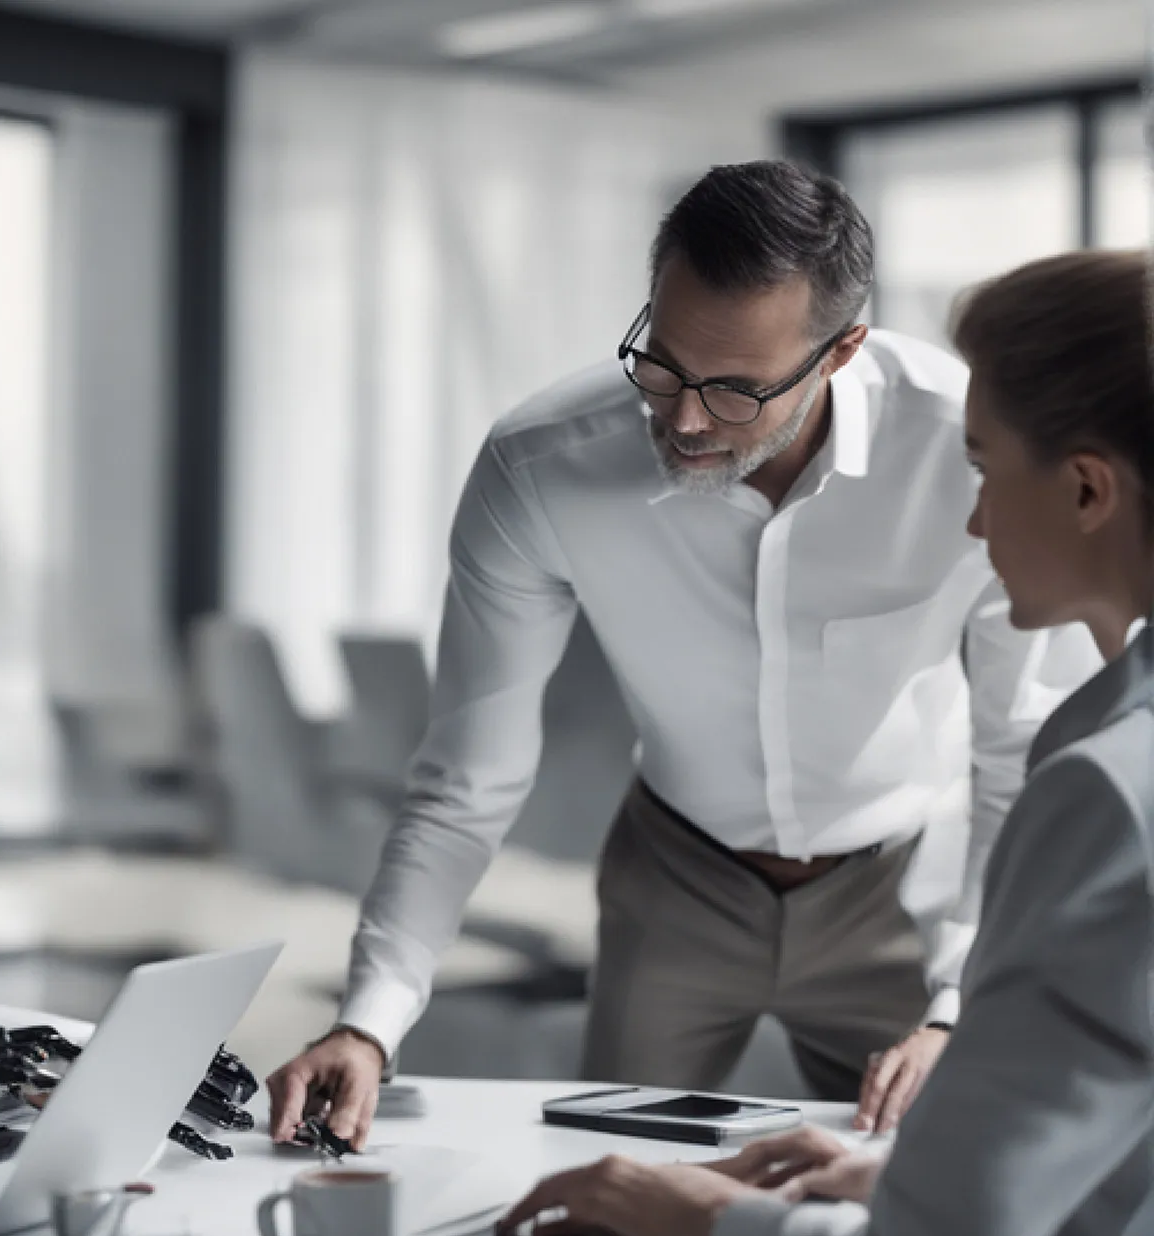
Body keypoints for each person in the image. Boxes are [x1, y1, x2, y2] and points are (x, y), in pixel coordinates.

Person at [268, 160, 1100, 1150]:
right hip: (675, 881)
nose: (685, 418)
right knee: (605, 1193)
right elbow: (467, 778)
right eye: (661, 363)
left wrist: (963, 995)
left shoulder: (966, 447)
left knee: (929, 1199)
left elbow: (1018, 755)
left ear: (843, 351)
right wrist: (370, 1016)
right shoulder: (541, 468)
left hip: (904, 896)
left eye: (738, 390)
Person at [493, 247, 1154, 1236]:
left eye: (981, 468)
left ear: (1084, 490)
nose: (972, 520)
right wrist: (905, 1172)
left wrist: (696, 1215)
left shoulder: (1106, 794)